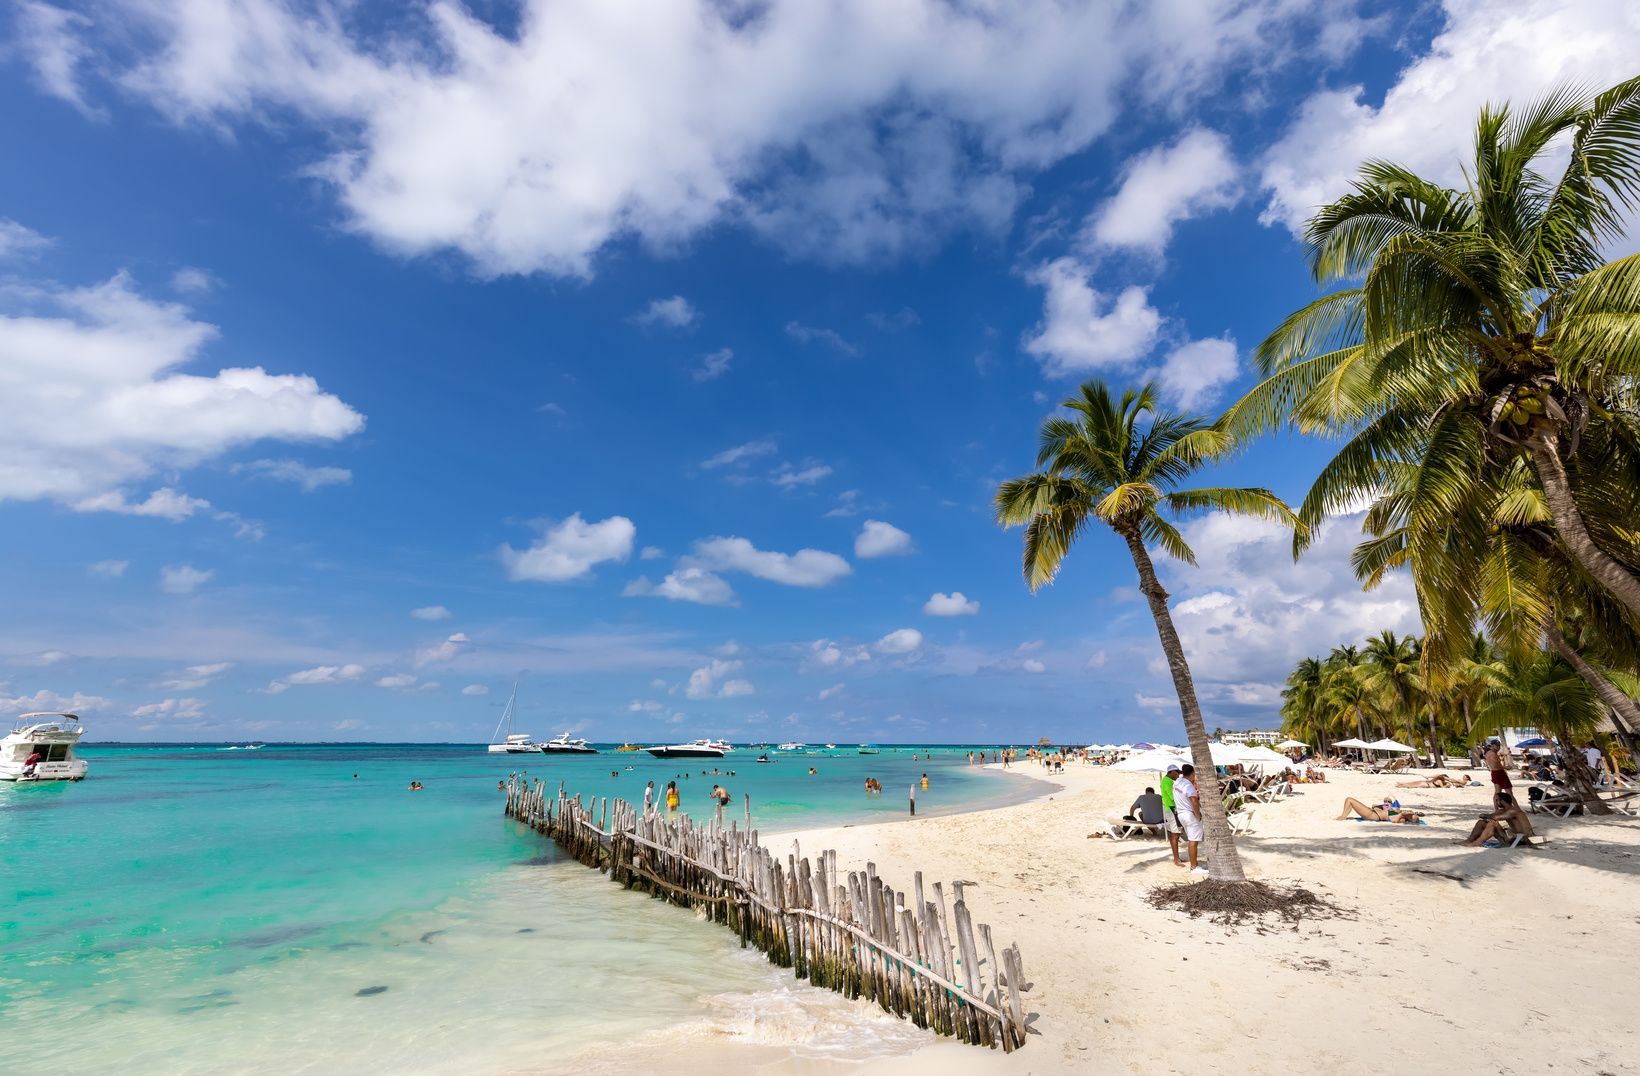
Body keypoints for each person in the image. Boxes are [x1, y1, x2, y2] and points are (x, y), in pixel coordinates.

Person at [1463, 791, 1535, 846]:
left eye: (1497, 800)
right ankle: (1469, 840)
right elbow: (1489, 816)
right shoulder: (1503, 811)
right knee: (1481, 822)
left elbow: (1496, 817)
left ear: (1502, 801)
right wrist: (1487, 816)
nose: (1496, 802)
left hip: (1522, 838)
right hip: (1514, 837)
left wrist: (1488, 816)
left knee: (1492, 823)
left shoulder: (1513, 811)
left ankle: (1477, 843)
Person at [1173, 765, 1206, 874]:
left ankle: (1194, 864)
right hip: (1189, 815)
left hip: (1181, 814)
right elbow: (1194, 801)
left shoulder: (1177, 782)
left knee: (1192, 839)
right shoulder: (1189, 786)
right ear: (1192, 774)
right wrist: (1198, 815)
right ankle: (1194, 867)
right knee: (1193, 841)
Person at [1160, 763, 1184, 867]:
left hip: (1171, 808)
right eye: (1177, 773)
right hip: (1171, 808)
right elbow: (1173, 797)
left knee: (1176, 833)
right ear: (1172, 772)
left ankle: (1177, 857)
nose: (1178, 775)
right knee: (1175, 834)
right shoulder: (1167, 782)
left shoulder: (1168, 781)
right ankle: (1176, 859)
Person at [1335, 797, 1421, 823]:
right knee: (1349, 800)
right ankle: (1343, 816)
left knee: (1349, 800)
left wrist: (1402, 814)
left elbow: (1395, 821)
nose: (1408, 812)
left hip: (1373, 815)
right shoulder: (1397, 811)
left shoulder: (1399, 816)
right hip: (1373, 812)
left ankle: (1343, 816)